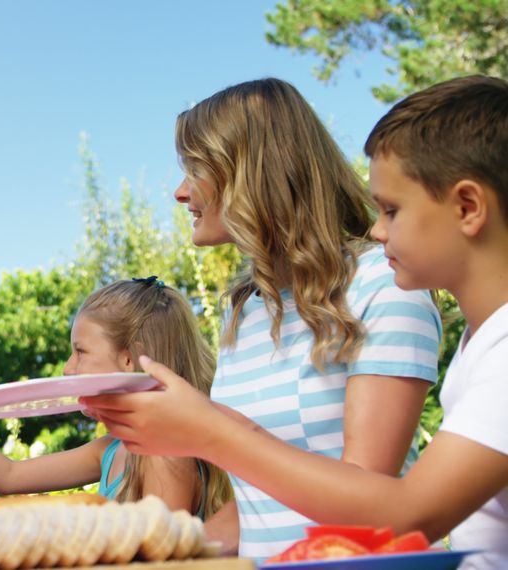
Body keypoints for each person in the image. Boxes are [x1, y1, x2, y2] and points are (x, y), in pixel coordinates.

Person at [83, 75, 508, 569]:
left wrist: (210, 430)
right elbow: (263, 502)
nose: (179, 191)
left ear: (251, 173)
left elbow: (382, 509)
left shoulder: (387, 284)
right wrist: (152, 552)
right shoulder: (244, 308)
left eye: (195, 168)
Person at [0, 278, 232, 518]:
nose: (67, 368)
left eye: (80, 352)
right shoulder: (113, 450)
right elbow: (9, 475)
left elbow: (162, 562)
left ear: (129, 359)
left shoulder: (168, 457)